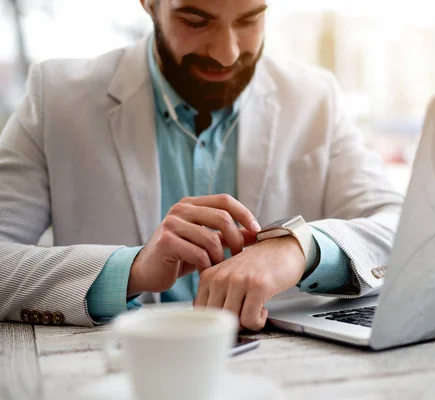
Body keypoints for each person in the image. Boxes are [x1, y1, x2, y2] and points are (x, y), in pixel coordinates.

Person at [0, 0, 403, 330]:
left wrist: (300, 248)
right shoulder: (54, 98)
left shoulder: (316, 98)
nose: (226, 53)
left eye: (249, 20)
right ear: (150, 5)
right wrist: (132, 269)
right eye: (195, 20)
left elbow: (401, 226)